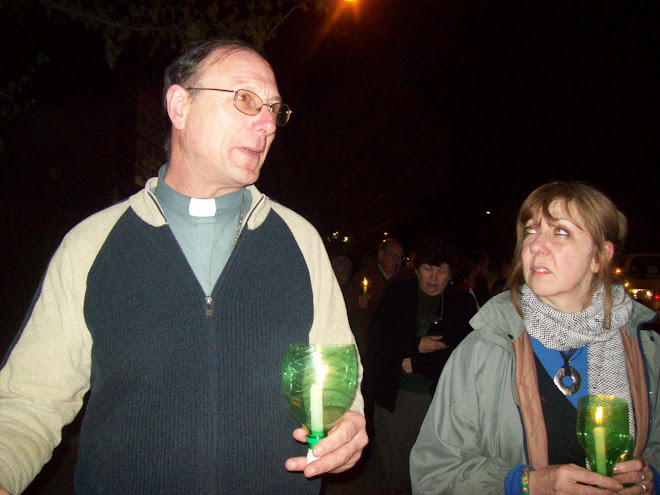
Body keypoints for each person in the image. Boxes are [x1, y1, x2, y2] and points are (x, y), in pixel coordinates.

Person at [0, 39, 367, 495]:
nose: (268, 123)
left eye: (274, 109)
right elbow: (26, 404)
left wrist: (349, 421)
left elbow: (337, 376)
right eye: (246, 100)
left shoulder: (299, 241)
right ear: (179, 105)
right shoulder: (92, 244)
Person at [410, 182, 659, 495]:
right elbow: (432, 473)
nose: (535, 246)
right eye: (530, 230)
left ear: (599, 256)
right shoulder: (486, 350)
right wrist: (524, 483)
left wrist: (652, 478)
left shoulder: (647, 352)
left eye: (560, 232)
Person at [368, 236, 477, 494]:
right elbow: (377, 339)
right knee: (398, 473)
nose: (433, 277)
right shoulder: (398, 293)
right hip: (396, 399)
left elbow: (466, 354)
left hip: (441, 401)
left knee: (438, 473)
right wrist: (415, 344)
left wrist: (415, 362)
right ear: (417, 269)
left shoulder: (462, 303)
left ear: (450, 274)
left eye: (441, 270)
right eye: (428, 269)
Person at [345, 239, 412, 358]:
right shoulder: (364, 275)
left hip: (395, 346)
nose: (397, 261)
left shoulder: (406, 279)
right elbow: (344, 306)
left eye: (400, 257)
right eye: (394, 256)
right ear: (381, 255)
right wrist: (357, 303)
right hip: (367, 345)